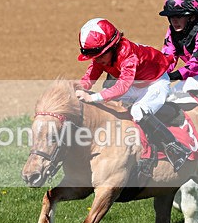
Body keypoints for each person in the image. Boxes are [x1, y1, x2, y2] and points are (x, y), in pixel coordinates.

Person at [75, 17, 191, 172]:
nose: (98, 60)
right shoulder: (102, 56)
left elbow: (122, 86)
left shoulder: (128, 55)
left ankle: (175, 149)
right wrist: (77, 88)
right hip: (138, 85)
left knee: (138, 111)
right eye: (94, 57)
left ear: (113, 46)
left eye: (100, 55)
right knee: (110, 104)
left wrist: (93, 97)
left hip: (156, 84)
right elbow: (91, 75)